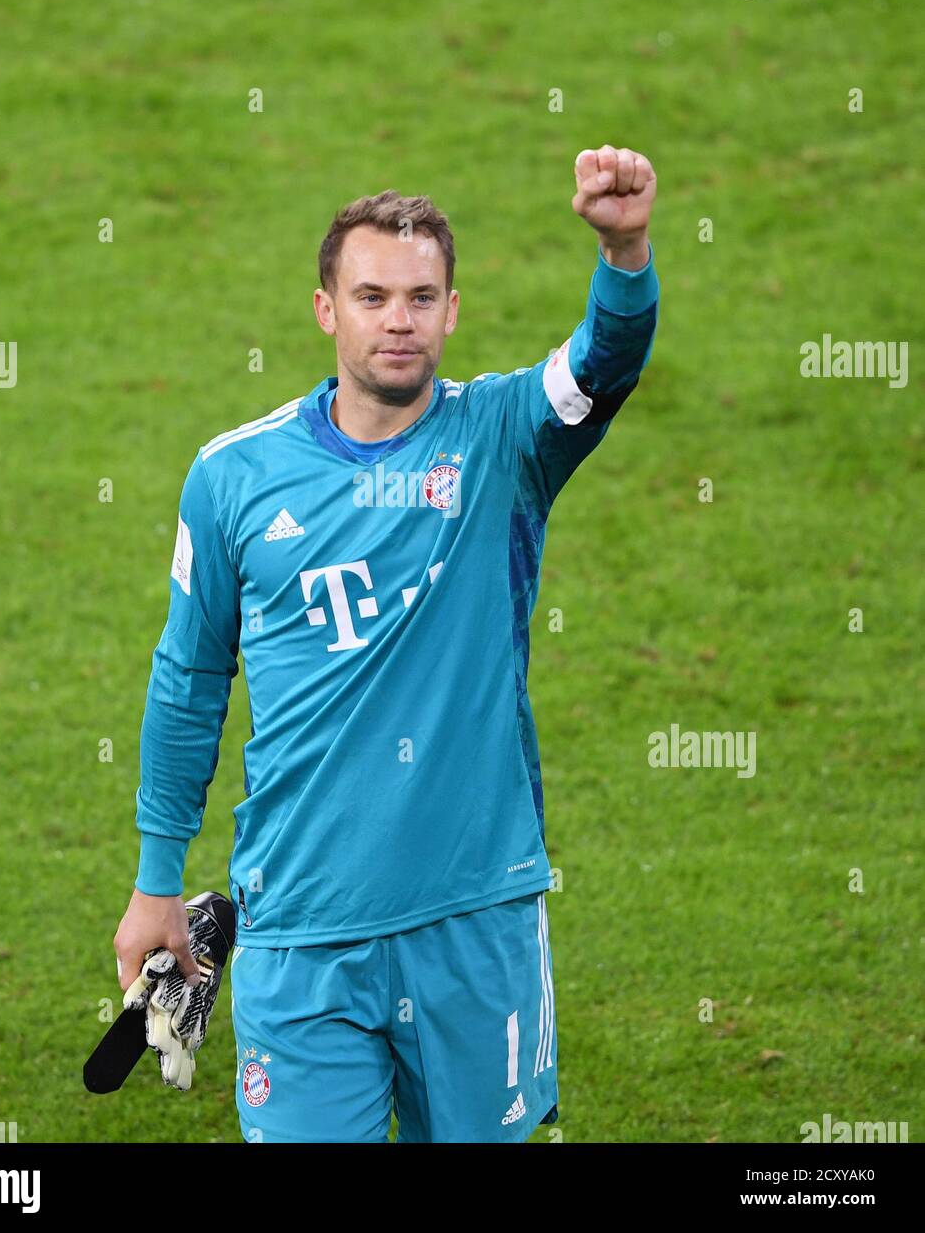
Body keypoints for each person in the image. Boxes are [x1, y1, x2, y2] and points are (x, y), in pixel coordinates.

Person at [114, 145, 660, 1142]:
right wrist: (157, 876)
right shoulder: (232, 478)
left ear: (452, 310)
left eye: (419, 295)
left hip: (475, 916)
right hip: (301, 927)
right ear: (327, 309)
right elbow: (189, 677)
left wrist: (623, 250)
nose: (397, 318)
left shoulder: (504, 435)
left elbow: (604, 360)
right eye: (371, 295)